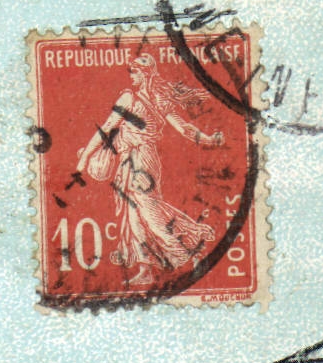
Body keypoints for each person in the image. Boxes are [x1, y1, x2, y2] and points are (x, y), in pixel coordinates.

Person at [75, 52, 225, 288]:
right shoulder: (128, 97)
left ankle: (186, 248)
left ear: (145, 74)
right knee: (133, 214)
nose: (131, 76)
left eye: (134, 71)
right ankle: (145, 268)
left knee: (148, 209)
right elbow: (108, 127)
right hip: (126, 159)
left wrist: (207, 139)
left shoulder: (156, 99)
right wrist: (85, 155)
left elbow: (183, 127)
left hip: (144, 159)